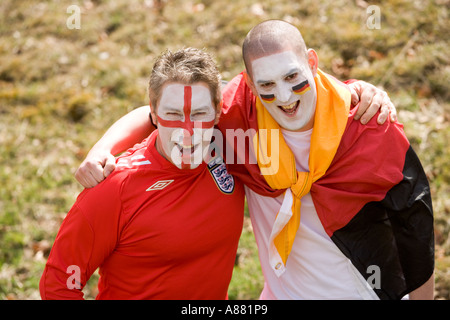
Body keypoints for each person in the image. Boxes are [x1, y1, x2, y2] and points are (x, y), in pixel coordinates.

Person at [74, 20, 434, 300]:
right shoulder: (237, 118)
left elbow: (415, 225)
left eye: (294, 77)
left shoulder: (367, 127)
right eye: (267, 86)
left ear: (312, 62)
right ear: (248, 82)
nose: (284, 97)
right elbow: (157, 114)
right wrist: (101, 149)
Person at [40, 48, 245, 299]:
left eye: (200, 114)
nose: (188, 131)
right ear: (155, 113)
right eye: (173, 114)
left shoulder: (232, 145)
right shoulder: (115, 188)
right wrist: (102, 148)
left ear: (218, 110)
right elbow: (58, 284)